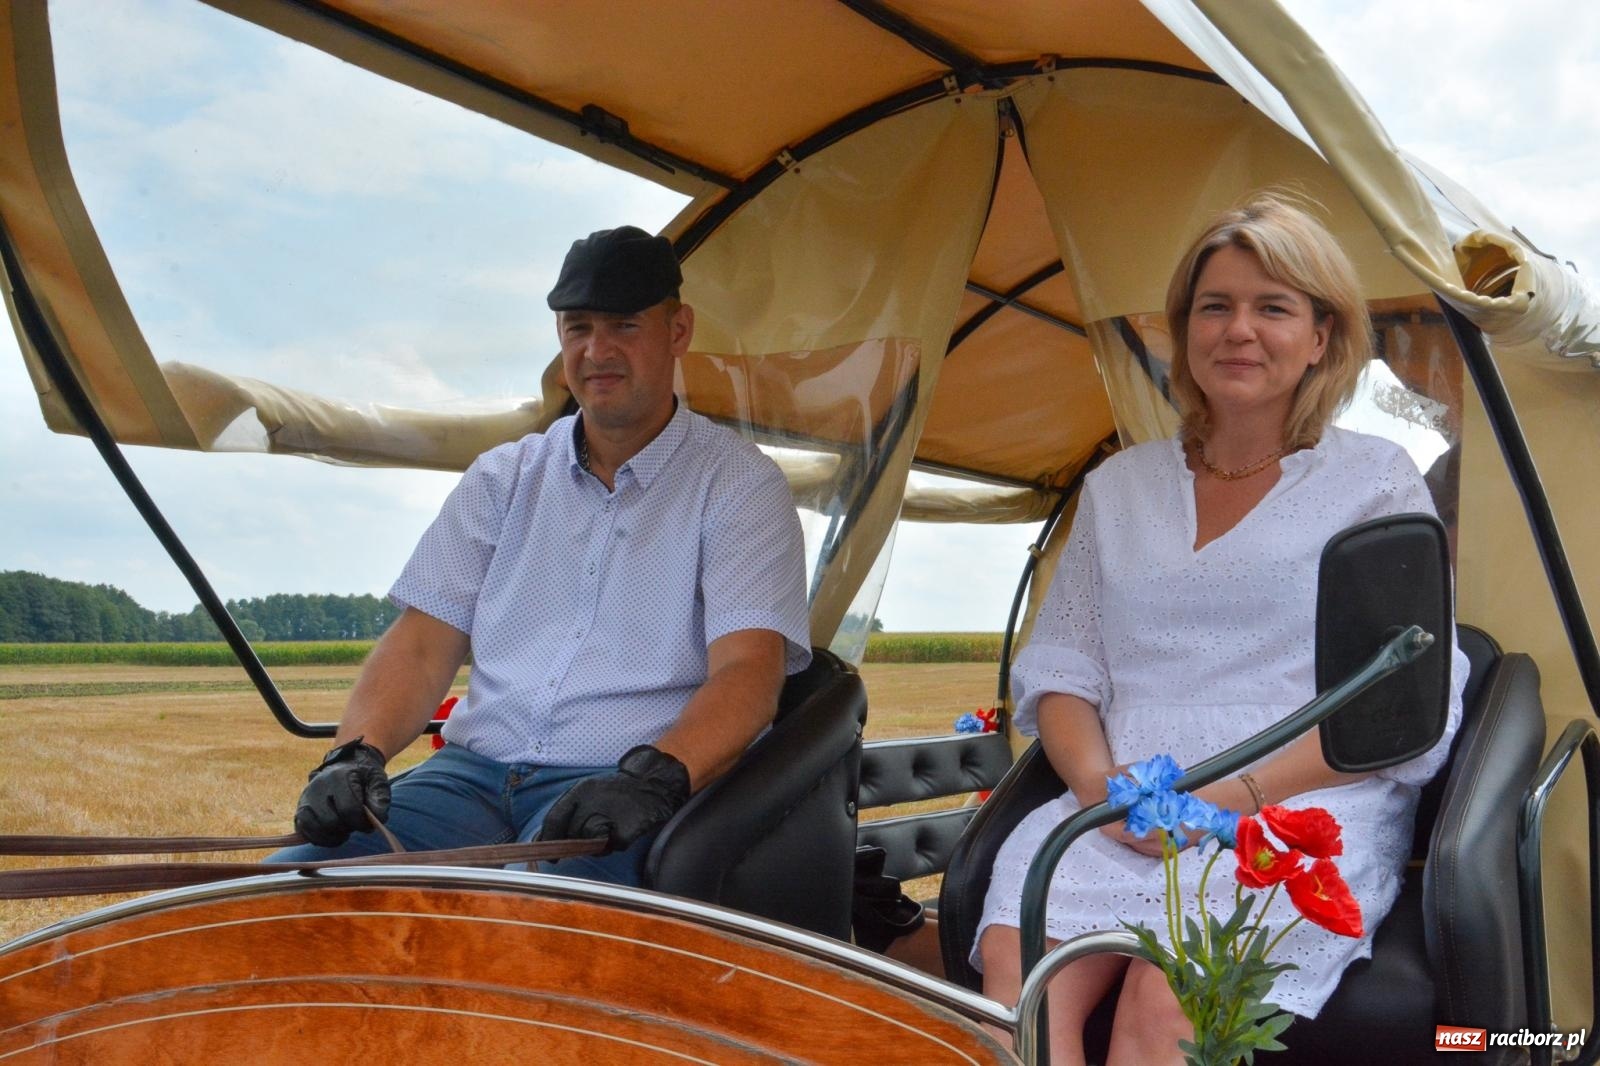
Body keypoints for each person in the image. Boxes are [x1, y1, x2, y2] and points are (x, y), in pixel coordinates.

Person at [973, 194, 1467, 1064]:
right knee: (1017, 988)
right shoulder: (1118, 488)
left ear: (1321, 337)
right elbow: (1062, 670)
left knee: (1165, 999)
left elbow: (1400, 695)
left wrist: (1219, 804)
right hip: (1118, 805)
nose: (1240, 329)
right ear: (1184, 331)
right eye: (1216, 306)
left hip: (1294, 809)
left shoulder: (1374, 482)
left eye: (1273, 307)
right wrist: (1101, 794)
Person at [274, 225, 812, 886]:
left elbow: (747, 674)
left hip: (614, 785)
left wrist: (656, 776)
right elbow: (422, 642)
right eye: (578, 327)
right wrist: (353, 756)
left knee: (528, 927)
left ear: (678, 331)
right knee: (285, 888)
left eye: (624, 325)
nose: (597, 350)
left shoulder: (738, 487)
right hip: (466, 780)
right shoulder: (502, 479)